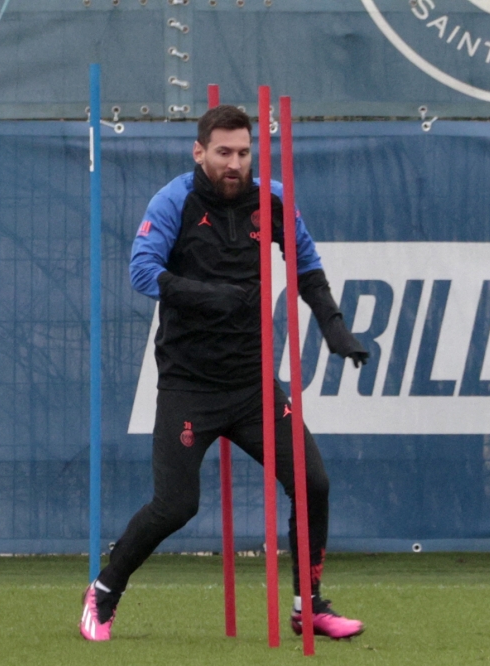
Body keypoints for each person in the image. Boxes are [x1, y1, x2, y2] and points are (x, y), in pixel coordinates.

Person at [79, 105, 368, 642]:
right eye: (223, 153)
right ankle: (103, 592)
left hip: (254, 384)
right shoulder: (175, 201)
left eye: (243, 153)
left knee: (313, 483)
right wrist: (214, 298)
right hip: (189, 385)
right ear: (200, 152)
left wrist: (335, 330)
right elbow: (142, 270)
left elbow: (306, 266)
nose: (235, 164)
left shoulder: (272, 199)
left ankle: (310, 606)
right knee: (176, 505)